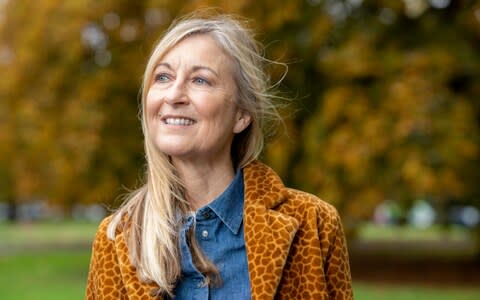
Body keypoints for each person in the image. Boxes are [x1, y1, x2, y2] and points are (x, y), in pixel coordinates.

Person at [86, 12, 353, 300]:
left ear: (242, 115)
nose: (173, 95)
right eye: (163, 77)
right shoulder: (117, 239)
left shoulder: (313, 224)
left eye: (200, 80)